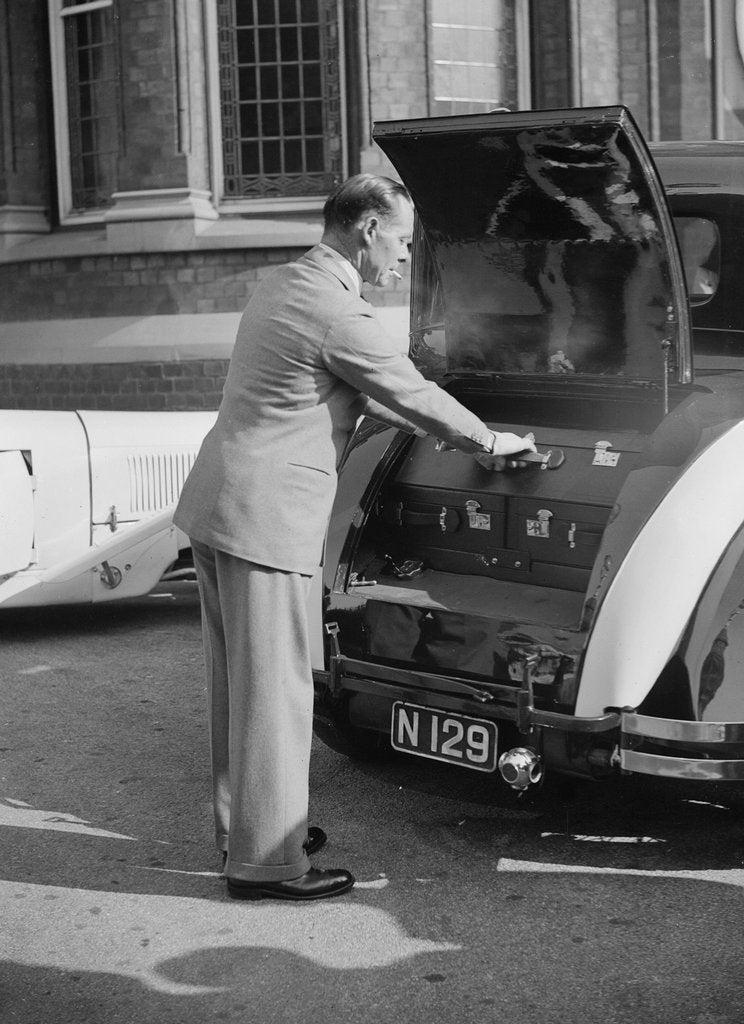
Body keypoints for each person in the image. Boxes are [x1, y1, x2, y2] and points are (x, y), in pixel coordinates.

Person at [173, 173, 535, 902]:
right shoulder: (341, 312)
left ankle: (245, 830)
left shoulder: (282, 283)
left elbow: (343, 387)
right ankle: (268, 865)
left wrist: (421, 420)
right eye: (401, 241)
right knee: (276, 692)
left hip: (218, 504)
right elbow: (407, 388)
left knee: (236, 686)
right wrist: (490, 440)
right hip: (267, 519)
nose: (403, 259)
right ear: (367, 228)